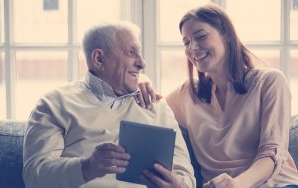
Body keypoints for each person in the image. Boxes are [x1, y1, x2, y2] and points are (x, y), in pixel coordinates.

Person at [137, 4, 298, 188]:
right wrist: (140, 78)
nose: (193, 48)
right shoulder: (187, 95)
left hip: (277, 184)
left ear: (226, 35)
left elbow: (272, 153)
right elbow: (153, 109)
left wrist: (237, 184)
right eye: (186, 42)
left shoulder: (269, 82)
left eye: (200, 36)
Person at [23, 22, 196, 188]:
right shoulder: (54, 104)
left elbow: (186, 176)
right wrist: (87, 167)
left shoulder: (156, 105)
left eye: (140, 54)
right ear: (98, 59)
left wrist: (177, 185)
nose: (142, 63)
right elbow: (34, 177)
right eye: (131, 52)